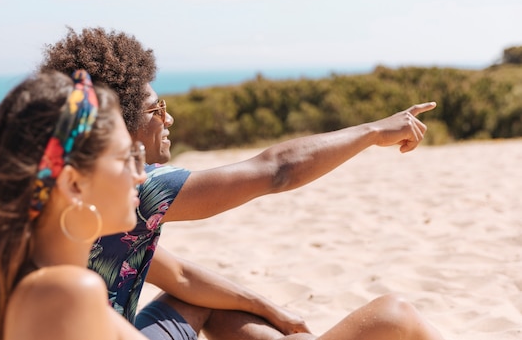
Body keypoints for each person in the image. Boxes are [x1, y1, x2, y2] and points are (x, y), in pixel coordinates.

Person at [40, 27, 445, 340]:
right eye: (156, 109)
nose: (168, 119)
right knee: (397, 314)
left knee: (204, 301)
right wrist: (374, 131)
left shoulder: (69, 198)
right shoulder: (141, 189)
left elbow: (179, 275)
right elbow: (276, 170)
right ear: (118, 125)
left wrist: (269, 308)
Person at [0, 70, 150, 340]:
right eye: (126, 157)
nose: (140, 173)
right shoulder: (68, 292)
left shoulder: (34, 283)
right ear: (73, 184)